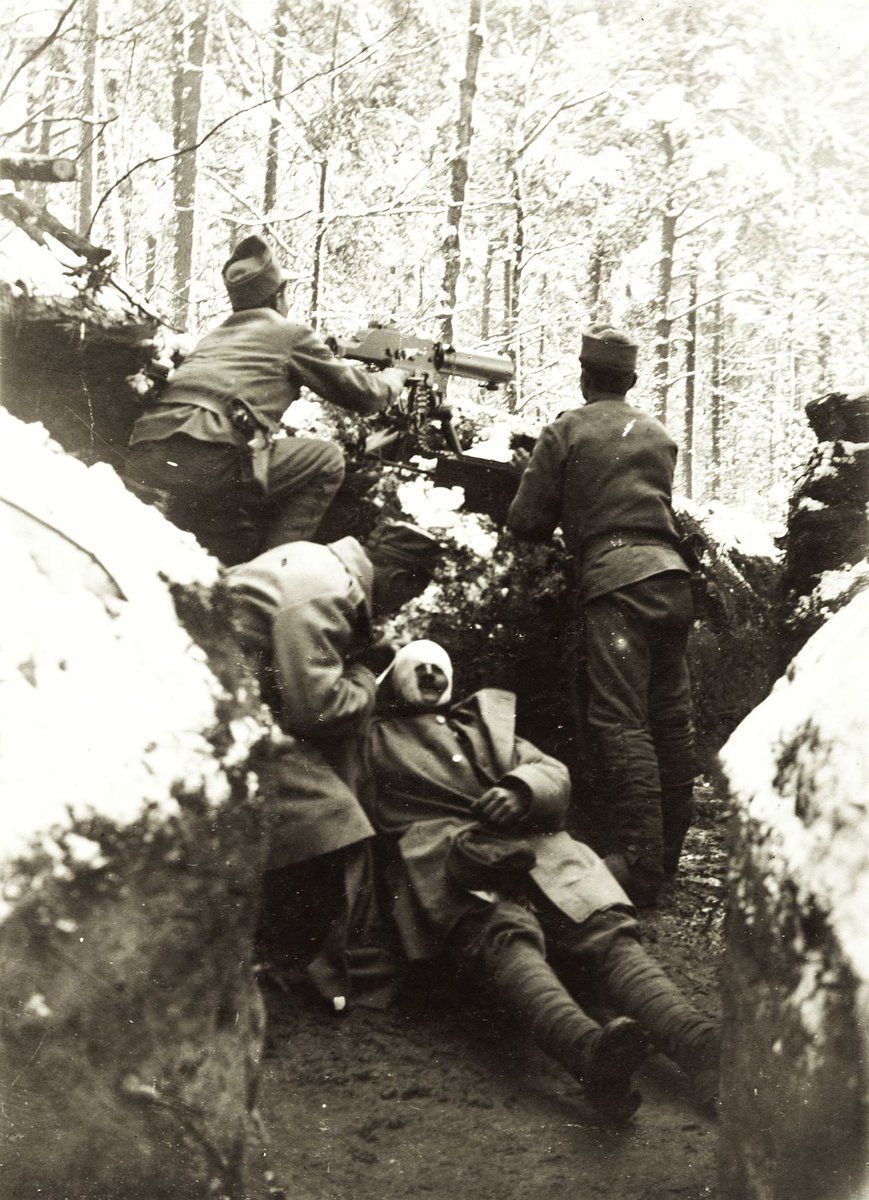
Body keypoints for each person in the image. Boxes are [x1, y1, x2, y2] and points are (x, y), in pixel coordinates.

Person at [366, 640, 718, 1120]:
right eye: (416, 668)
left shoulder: (485, 725)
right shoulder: (373, 739)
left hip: (536, 849)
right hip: (449, 859)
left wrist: (521, 790)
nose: (429, 674)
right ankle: (590, 1056)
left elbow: (549, 770)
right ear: (393, 682)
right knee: (503, 935)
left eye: (437, 667)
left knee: (604, 931)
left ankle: (701, 1046)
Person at [506, 326, 696, 905]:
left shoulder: (567, 428)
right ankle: (666, 856)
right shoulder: (658, 434)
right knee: (670, 719)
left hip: (617, 584)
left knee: (621, 721)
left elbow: (526, 523)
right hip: (672, 578)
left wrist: (537, 473)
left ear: (585, 376)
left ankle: (638, 865)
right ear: (631, 379)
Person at [225, 521, 441, 1007]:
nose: (395, 609)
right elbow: (318, 709)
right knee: (337, 820)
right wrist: (365, 674)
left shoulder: (314, 559)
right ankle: (312, 964)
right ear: (400, 579)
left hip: (226, 685)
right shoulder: (331, 594)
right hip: (222, 702)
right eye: (404, 598)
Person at [125, 235, 409, 565]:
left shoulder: (212, 338)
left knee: (231, 540)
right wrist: (396, 376)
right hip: (210, 460)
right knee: (327, 460)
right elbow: (368, 396)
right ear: (278, 295)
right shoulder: (291, 334)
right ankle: (274, 573)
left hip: (146, 456)